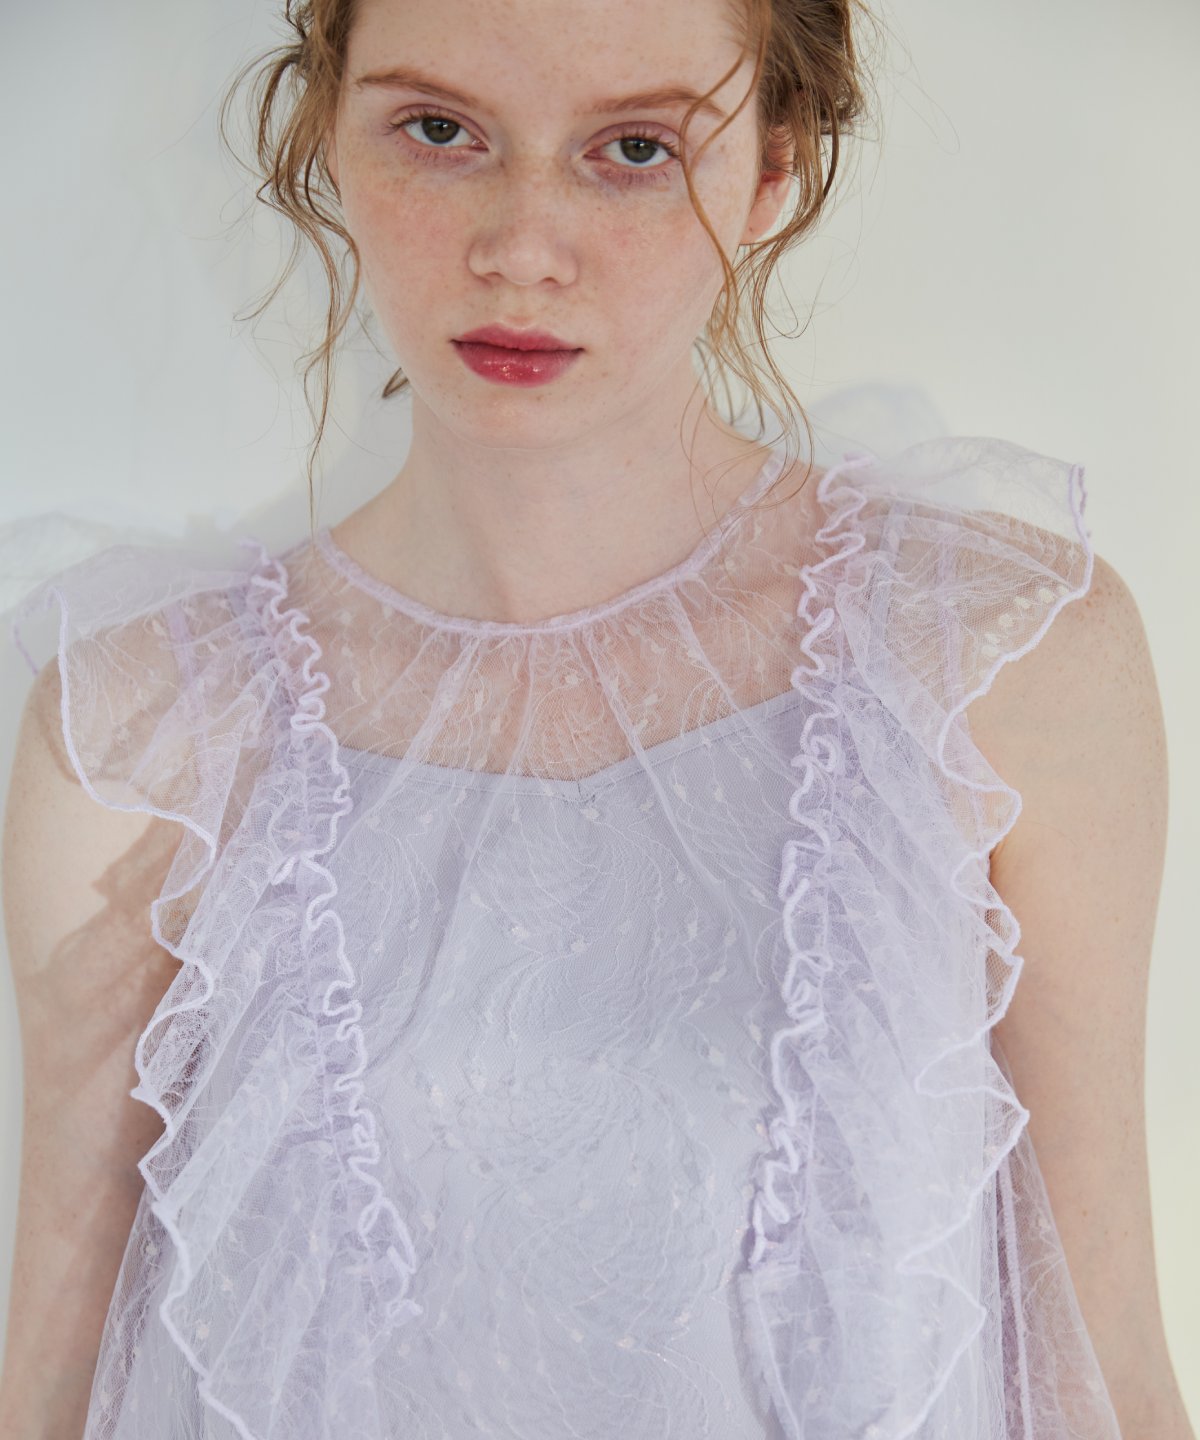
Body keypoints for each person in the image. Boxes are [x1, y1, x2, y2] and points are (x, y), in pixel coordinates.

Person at [0, 0, 1192, 1436]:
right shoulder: (144, 729)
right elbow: (53, 1380)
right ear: (328, 131)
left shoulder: (997, 658)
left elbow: (1100, 1357)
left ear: (774, 169)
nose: (521, 246)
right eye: (438, 129)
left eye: (634, 149)